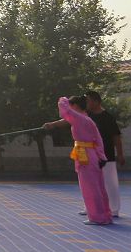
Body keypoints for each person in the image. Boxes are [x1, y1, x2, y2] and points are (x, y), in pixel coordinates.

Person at [44, 90, 124, 218]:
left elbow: (116, 136)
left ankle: (113, 209)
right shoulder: (86, 115)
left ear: (96, 101)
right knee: (91, 183)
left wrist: (120, 154)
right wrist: (53, 125)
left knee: (108, 183)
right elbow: (68, 119)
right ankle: (92, 208)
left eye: (88, 100)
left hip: (105, 153)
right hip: (90, 153)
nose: (86, 102)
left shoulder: (107, 117)